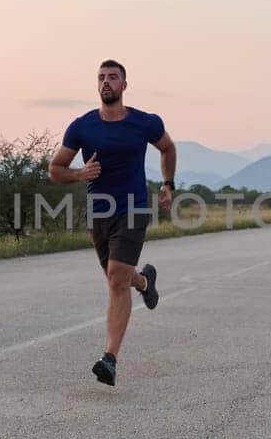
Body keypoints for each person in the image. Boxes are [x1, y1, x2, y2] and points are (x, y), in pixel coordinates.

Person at [48, 59, 177, 386]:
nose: (107, 82)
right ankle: (145, 282)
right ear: (97, 85)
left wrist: (167, 185)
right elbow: (56, 169)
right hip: (99, 212)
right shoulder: (82, 126)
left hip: (133, 207)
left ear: (124, 85)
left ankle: (110, 358)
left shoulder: (144, 122)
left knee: (116, 278)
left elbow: (167, 147)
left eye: (113, 77)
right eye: (102, 78)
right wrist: (79, 174)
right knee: (116, 276)